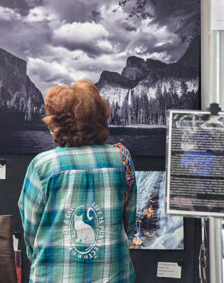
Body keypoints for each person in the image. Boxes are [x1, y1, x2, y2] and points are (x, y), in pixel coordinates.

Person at [18, 80, 137, 283]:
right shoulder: (121, 158)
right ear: (100, 118)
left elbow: (31, 231)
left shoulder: (43, 165)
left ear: (58, 123)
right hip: (112, 275)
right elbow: (129, 223)